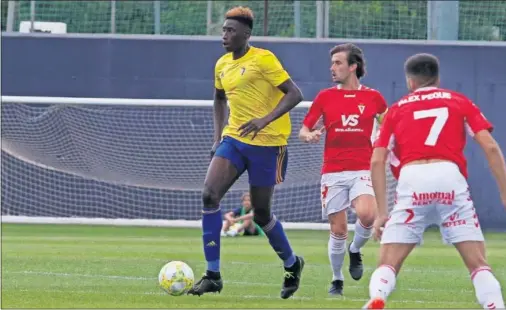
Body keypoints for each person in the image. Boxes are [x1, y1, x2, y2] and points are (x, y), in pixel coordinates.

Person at [364, 53, 506, 309]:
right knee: (478, 264)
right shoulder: (459, 101)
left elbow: (376, 160)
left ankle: (378, 297)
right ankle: (495, 305)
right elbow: (491, 148)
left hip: (412, 177)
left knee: (388, 263)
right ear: (437, 78)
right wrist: (505, 193)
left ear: (410, 81)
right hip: (449, 177)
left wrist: (382, 213)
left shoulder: (396, 109)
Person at [187, 6, 305, 299]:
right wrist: (217, 138)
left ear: (246, 34)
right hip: (235, 140)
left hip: (268, 144)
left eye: (230, 31)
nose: (224, 35)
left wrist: (264, 120)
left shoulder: (263, 59)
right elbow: (218, 98)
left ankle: (292, 264)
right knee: (209, 196)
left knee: (262, 213)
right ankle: (212, 274)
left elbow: (295, 94)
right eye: (224, 30)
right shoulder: (222, 65)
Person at [299, 43, 388, 296]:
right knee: (338, 230)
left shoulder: (373, 97)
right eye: (332, 63)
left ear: (353, 67)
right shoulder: (325, 97)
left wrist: (388, 137)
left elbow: (389, 123)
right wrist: (309, 136)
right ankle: (337, 279)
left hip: (363, 168)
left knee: (368, 215)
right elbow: (304, 129)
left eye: (338, 63)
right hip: (334, 171)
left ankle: (356, 249)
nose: (333, 68)